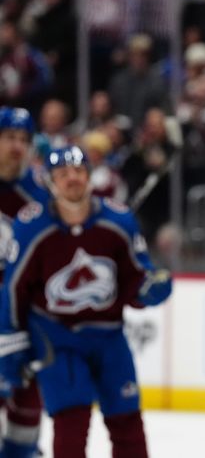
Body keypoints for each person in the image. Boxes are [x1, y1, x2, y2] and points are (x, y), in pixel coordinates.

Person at [0, 145, 172, 458]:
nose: (72, 178)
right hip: (56, 339)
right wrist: (11, 343)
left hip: (109, 337)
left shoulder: (118, 221)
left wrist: (148, 288)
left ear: (90, 177)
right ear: (50, 183)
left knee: (127, 421)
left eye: (78, 171)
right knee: (71, 421)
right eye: (63, 174)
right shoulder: (32, 227)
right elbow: (14, 290)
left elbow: (136, 275)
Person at [0, 107, 48, 458]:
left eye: (23, 140)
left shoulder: (40, 197)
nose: (17, 146)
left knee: (26, 418)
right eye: (9, 138)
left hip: (23, 322)